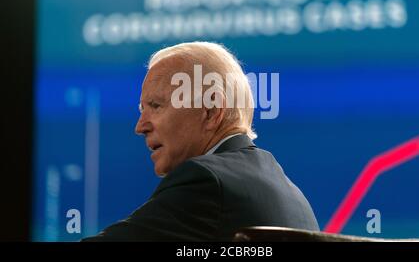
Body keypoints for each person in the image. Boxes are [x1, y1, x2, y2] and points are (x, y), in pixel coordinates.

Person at [82, 42, 319, 241]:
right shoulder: (295, 196)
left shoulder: (206, 181)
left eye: (155, 106)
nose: (140, 126)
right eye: (141, 109)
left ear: (211, 110)